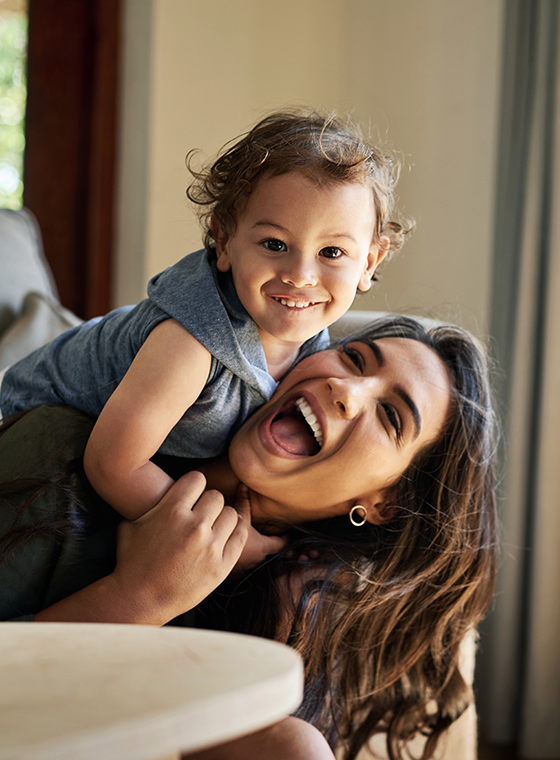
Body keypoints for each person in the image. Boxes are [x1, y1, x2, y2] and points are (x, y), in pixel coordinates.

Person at [0, 316, 498, 760]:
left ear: (383, 504)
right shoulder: (59, 456)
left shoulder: (294, 608)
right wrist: (137, 598)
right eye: (351, 357)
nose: (347, 389)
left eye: (390, 416)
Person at [0, 109, 409, 524]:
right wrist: (220, 540)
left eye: (332, 252)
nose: (300, 276)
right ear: (225, 241)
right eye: (274, 243)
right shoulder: (190, 345)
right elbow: (113, 465)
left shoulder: (318, 353)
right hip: (28, 433)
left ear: (369, 264)